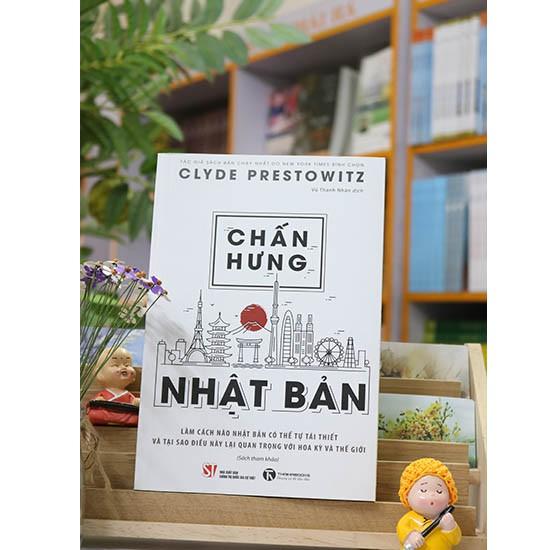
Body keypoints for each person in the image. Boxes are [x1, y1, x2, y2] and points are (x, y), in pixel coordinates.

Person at [396, 458, 461, 550]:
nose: (431, 496)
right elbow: (402, 528)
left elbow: (455, 540)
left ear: (449, 497)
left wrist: (450, 528)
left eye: (439, 491)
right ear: (407, 495)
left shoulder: (446, 519)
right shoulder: (409, 519)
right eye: (423, 490)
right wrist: (410, 535)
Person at [86, 347, 140, 427]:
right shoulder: (103, 394)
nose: (123, 367)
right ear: (100, 373)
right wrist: (98, 401)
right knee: (94, 413)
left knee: (137, 417)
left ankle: (113, 419)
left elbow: (134, 403)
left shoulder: (128, 395)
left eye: (127, 365)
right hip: (106, 412)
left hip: (125, 412)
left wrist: (136, 402)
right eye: (115, 365)